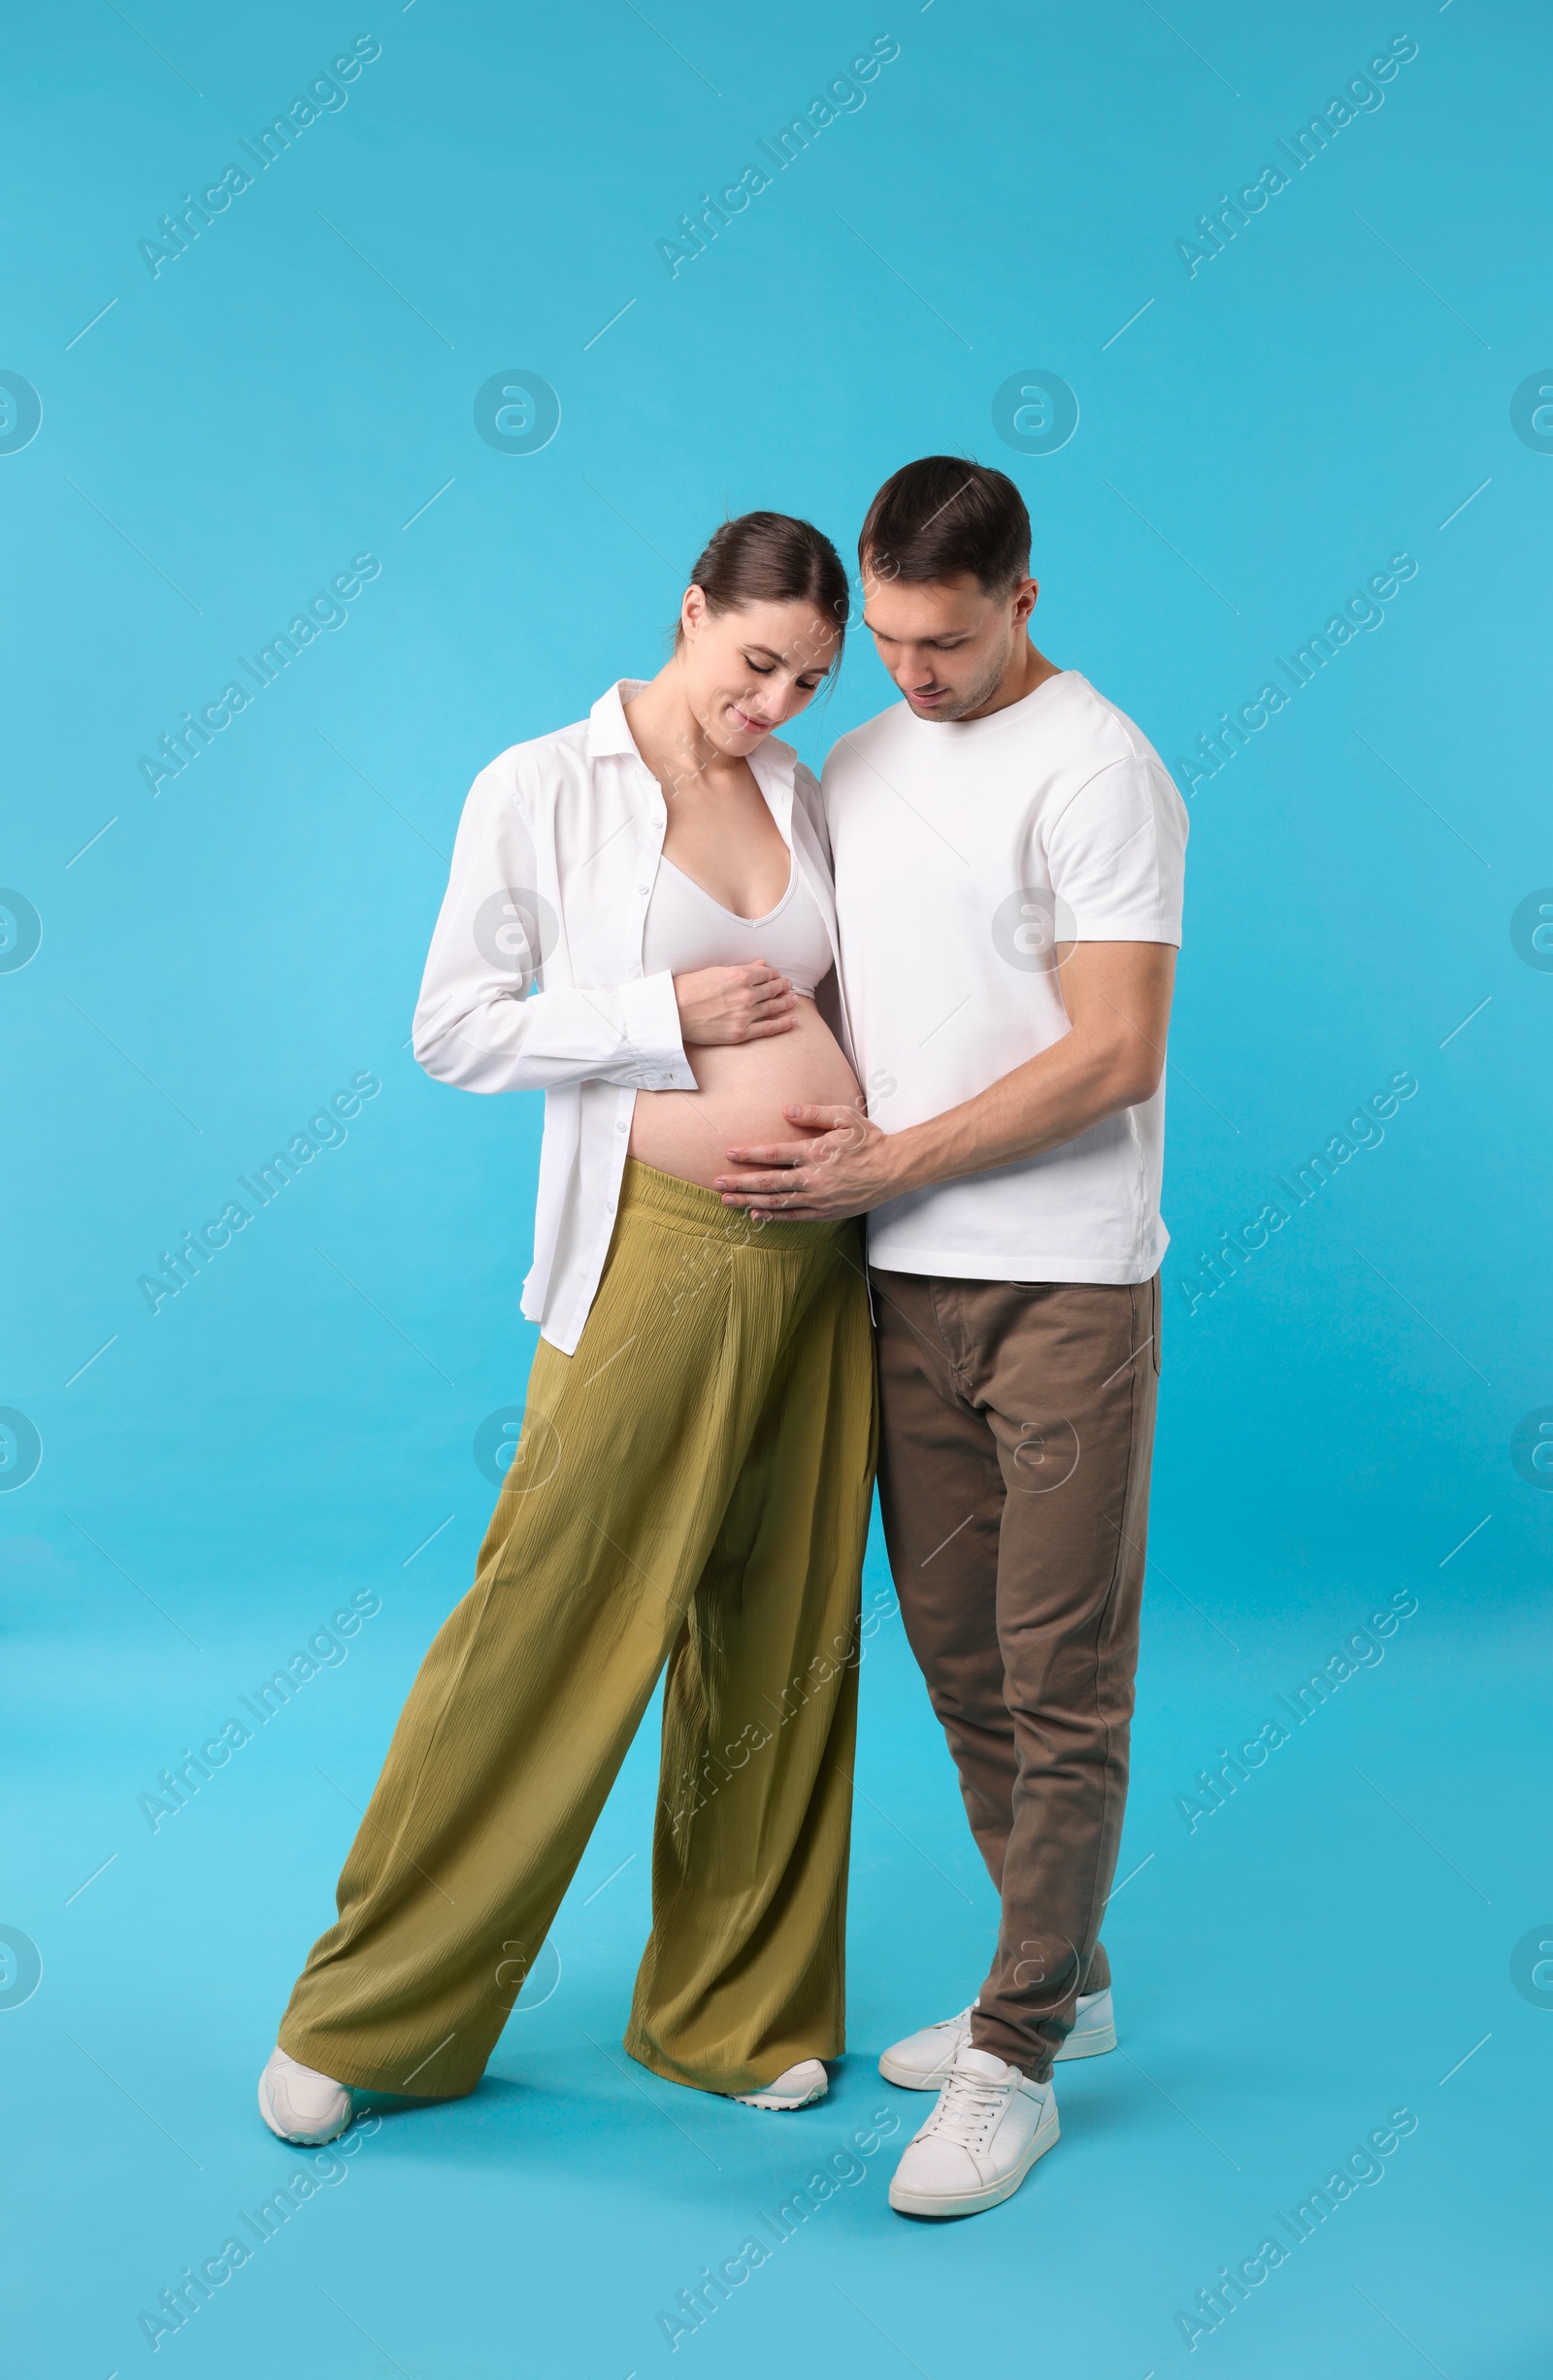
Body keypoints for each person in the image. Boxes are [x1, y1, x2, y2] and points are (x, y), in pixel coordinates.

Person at [257, 512, 877, 2146]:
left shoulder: (802, 793)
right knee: (551, 1617)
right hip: (654, 1256)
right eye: (757, 665)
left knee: (785, 1627)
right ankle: (371, 2013)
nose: (776, 706)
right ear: (691, 613)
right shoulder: (541, 784)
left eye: (811, 681)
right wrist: (658, 1016)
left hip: (821, 1269)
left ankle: (732, 2008)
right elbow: (452, 1029)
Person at [717, 457, 1187, 2219]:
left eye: (950, 640)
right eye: (890, 639)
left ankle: (1015, 2057)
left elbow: (1110, 1050)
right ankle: (1068, 1967)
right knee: (956, 1656)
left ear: (1026, 604)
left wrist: (884, 1164)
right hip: (895, 1284)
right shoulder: (856, 761)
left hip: (1063, 1285)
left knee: (1063, 1684)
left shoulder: (1104, 769)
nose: (913, 673)